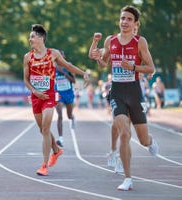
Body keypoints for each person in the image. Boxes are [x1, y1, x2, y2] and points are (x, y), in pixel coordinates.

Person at [89, 5, 159, 190]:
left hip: (135, 92)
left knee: (143, 140)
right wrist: (98, 57)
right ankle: (128, 178)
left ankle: (151, 142)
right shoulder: (110, 40)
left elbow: (151, 68)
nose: (124, 22)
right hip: (117, 92)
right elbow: (104, 64)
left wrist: (134, 68)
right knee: (125, 133)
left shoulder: (140, 42)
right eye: (122, 18)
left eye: (129, 19)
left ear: (136, 23)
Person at [23, 24, 89, 176]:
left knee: (46, 129)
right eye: (30, 36)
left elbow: (68, 66)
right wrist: (34, 91)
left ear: (40, 38)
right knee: (42, 130)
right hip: (36, 97)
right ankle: (57, 150)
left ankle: (44, 165)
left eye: (32, 36)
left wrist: (83, 73)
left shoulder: (53, 53)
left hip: (49, 97)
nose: (30, 39)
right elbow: (26, 80)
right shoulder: (28, 57)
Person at [54, 50, 76, 147]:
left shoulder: (68, 66)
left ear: (63, 56)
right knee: (60, 115)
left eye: (61, 55)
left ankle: (72, 117)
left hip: (68, 93)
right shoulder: (52, 67)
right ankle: (60, 139)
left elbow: (73, 80)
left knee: (69, 115)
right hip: (58, 94)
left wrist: (64, 73)